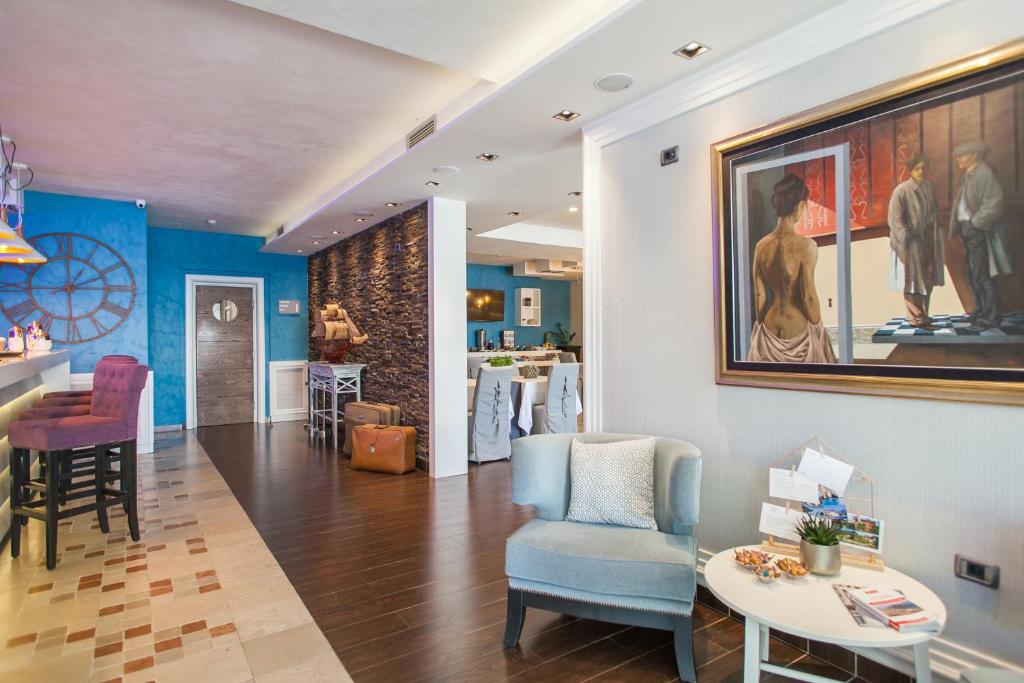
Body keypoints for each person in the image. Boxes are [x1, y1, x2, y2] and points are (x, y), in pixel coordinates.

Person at [749, 173, 836, 363]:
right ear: (800, 205)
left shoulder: (761, 246)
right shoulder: (807, 246)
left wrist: (761, 324)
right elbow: (808, 296)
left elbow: (760, 295)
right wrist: (818, 330)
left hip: (770, 326)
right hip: (796, 327)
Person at [947, 140, 1012, 330]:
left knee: (982, 274)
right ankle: (982, 310)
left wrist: (975, 224)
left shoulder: (983, 173)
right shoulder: (969, 174)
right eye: (957, 156)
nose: (958, 159)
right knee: (974, 273)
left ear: (975, 155)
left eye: (962, 155)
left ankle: (989, 317)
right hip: (968, 229)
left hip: (977, 229)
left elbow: (994, 204)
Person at [887, 154, 944, 329]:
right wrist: (909, 236)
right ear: (911, 171)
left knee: (928, 278)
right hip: (910, 243)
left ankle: (924, 314)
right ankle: (916, 318)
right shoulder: (902, 191)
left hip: (928, 240)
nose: (921, 171)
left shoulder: (929, 188)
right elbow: (895, 220)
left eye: (924, 168)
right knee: (912, 280)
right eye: (917, 168)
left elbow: (934, 212)